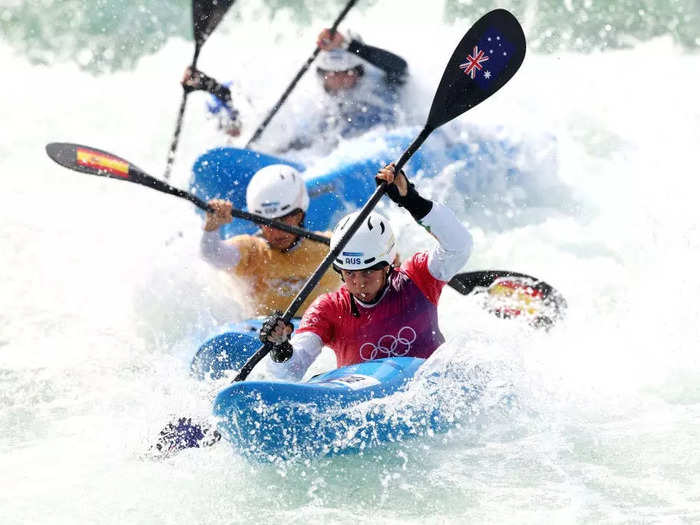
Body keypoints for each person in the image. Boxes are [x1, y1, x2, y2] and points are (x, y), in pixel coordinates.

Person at [259, 163, 472, 379]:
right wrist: (280, 348)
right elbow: (287, 374)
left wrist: (411, 200)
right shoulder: (328, 309)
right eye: (350, 273)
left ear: (388, 266)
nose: (359, 283)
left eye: (368, 272)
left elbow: (459, 246)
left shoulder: (417, 279)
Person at [201, 163, 340, 316]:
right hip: (263, 331)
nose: (277, 232)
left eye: (284, 220)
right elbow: (212, 254)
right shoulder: (251, 252)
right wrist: (212, 227)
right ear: (258, 222)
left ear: (299, 216)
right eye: (268, 223)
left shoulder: (328, 247)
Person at [181, 67, 242, 137]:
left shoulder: (227, 115)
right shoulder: (226, 114)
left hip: (221, 93)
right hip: (221, 94)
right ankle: (194, 78)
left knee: (219, 91)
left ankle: (194, 78)